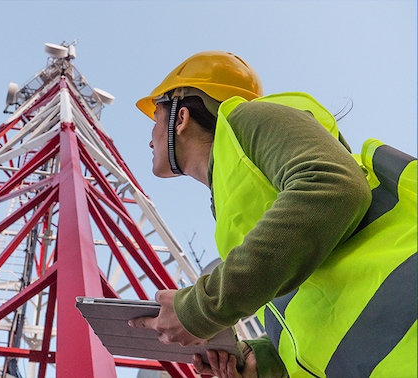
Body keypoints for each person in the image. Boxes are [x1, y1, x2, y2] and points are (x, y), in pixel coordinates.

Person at [128, 51, 417, 377]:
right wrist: (262, 360)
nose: (149, 137)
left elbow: (334, 186)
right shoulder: (229, 198)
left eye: (155, 116)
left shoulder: (247, 120)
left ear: (180, 119)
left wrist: (200, 308)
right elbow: (312, 299)